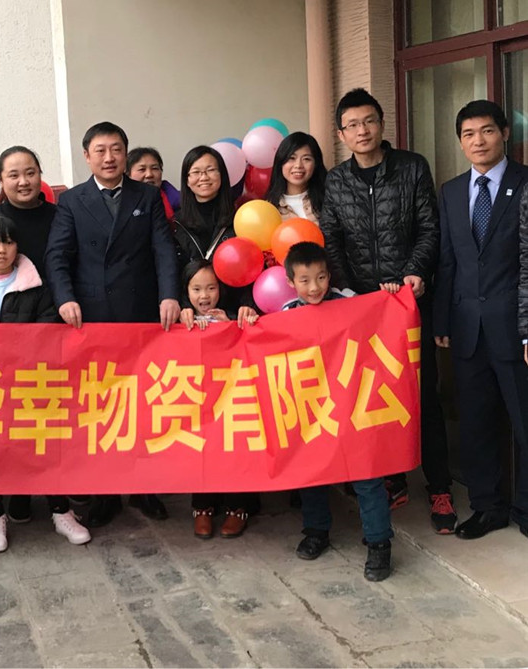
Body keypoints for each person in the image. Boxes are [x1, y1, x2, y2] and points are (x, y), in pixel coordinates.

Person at [319, 88, 454, 534]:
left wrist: (415, 272)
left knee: (423, 397)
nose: (362, 131)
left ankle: (440, 488)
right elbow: (332, 240)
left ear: (381, 124)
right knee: (374, 400)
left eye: (368, 121)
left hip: (410, 305)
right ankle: (392, 479)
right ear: (341, 134)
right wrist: (349, 292)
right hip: (363, 311)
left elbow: (430, 228)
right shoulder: (337, 181)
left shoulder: (412, 168)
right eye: (352, 125)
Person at [45, 121, 180, 526]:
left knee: (143, 402)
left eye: (116, 149)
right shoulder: (72, 201)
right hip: (93, 316)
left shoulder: (147, 195)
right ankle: (105, 492)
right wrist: (65, 298)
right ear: (87, 156)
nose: (109, 158)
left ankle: (144, 487)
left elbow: (163, 249)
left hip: (140, 312)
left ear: (125, 153)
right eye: (100, 150)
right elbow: (57, 255)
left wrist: (169, 294)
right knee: (100, 406)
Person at [0, 214, 92, 552]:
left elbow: (47, 332)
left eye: (8, 242)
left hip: (29, 383)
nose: (1, 250)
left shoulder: (36, 285)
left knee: (44, 447)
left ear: (17, 247)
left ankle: (61, 511)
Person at [434, 100, 528, 540]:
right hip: (467, 327)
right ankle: (488, 507)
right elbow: (447, 261)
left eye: (487, 131)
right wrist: (442, 321)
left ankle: (525, 508)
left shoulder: (524, 183)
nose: (478, 141)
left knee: (524, 422)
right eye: (469, 134)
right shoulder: (452, 191)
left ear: (504, 133)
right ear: (460, 142)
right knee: (476, 424)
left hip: (515, 328)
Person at [274, 241, 394, 580]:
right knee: (312, 471)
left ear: (330, 275)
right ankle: (316, 531)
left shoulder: (350, 302)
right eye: (304, 280)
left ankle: (379, 543)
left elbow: (378, 317)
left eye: (321, 277)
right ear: (290, 282)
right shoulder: (285, 314)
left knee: (367, 476)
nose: (314, 287)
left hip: (354, 406)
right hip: (313, 411)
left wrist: (390, 296)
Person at [0, 146, 57, 524]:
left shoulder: (59, 216)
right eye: (13, 175)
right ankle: (5, 496)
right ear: (0, 180)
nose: (23, 181)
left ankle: (46, 495)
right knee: (2, 423)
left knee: (43, 421)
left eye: (30, 172)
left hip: (48, 329)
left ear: (40, 175)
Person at [172, 146, 258, 535]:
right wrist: (181, 307)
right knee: (199, 418)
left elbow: (255, 266)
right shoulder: (175, 224)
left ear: (223, 176)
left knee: (235, 417)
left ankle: (240, 503)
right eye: (195, 172)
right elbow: (168, 270)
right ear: (186, 180)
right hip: (191, 333)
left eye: (210, 170)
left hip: (234, 328)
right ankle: (202, 503)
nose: (203, 177)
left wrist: (246, 307)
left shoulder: (241, 218)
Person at [264, 131, 327, 222]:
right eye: (291, 158)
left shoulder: (329, 199)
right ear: (281, 163)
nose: (298, 165)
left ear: (316, 164)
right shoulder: (268, 209)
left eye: (306, 159)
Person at [127, 146, 180, 222]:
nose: (149, 174)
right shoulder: (119, 202)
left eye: (155, 168)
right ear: (128, 174)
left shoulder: (181, 202)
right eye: (142, 169)